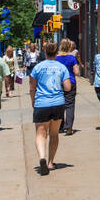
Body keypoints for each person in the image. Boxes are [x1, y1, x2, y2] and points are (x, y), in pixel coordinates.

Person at [29, 41, 71, 175]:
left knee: (41, 134)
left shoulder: (38, 67)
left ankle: (42, 158)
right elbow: (68, 87)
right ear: (56, 52)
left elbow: (32, 87)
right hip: (58, 103)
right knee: (54, 134)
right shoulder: (61, 67)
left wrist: (33, 101)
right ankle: (51, 162)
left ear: (45, 51)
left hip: (42, 103)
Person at [56, 39, 82, 135]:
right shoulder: (71, 58)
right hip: (71, 82)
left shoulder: (56, 58)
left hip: (58, 83)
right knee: (70, 105)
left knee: (59, 105)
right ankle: (69, 127)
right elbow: (76, 72)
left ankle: (60, 126)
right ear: (69, 47)